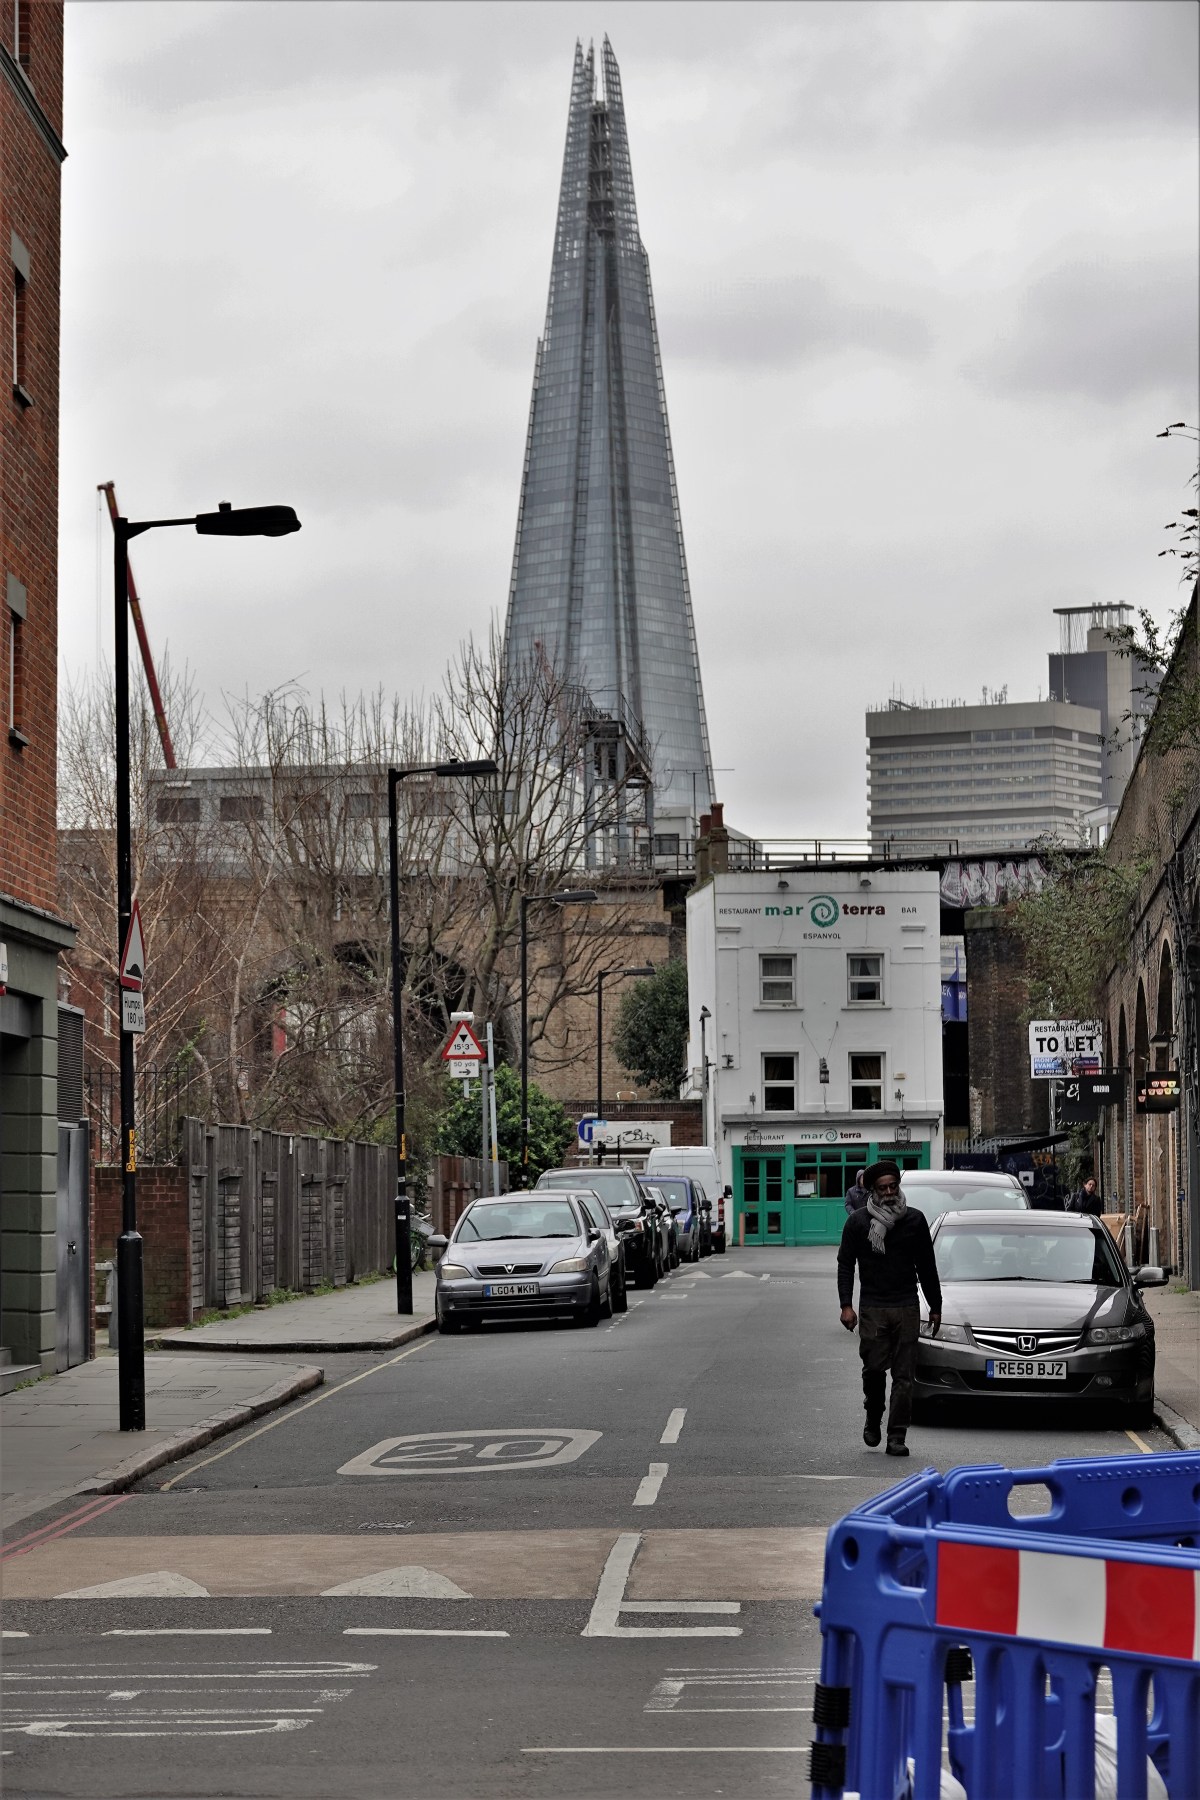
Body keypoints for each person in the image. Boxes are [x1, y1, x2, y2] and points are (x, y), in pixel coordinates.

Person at [837, 1160, 942, 1457]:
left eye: (893, 1186)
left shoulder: (915, 1221)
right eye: (882, 1188)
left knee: (904, 1377)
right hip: (872, 1307)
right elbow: (845, 1265)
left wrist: (935, 1305)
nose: (889, 1193)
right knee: (873, 1371)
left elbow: (927, 1266)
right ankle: (873, 1415)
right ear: (872, 1190)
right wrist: (846, 1305)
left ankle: (896, 1435)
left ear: (898, 1186)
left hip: (907, 1305)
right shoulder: (857, 1223)